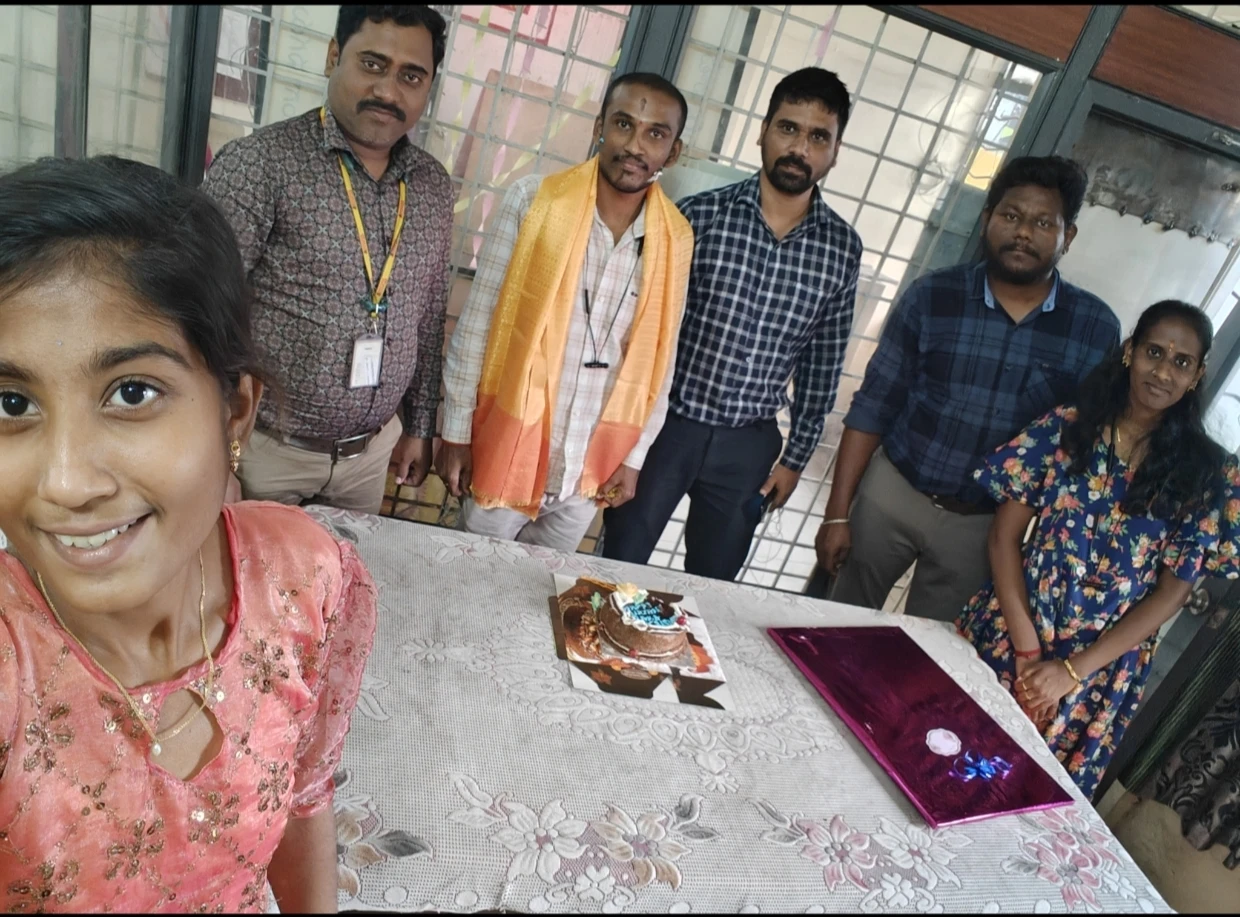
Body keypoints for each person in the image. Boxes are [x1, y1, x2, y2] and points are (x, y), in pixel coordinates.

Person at [0, 155, 377, 912]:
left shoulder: (308, 579)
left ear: (234, 411)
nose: (67, 481)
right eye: (11, 403)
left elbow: (305, 795)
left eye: (132, 392)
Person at [818, 155, 1121, 619]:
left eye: (1043, 223)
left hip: (985, 526)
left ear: (1068, 235)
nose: (1023, 232)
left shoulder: (1094, 329)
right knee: (835, 620)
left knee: (932, 646)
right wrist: (837, 514)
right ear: (987, 219)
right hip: (893, 494)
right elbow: (874, 405)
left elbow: (1081, 446)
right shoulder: (932, 296)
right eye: (1011, 216)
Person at [955, 300, 1225, 799]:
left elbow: (1171, 594)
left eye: (1181, 361)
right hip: (1013, 630)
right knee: (943, 756)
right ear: (1130, 352)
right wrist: (1027, 652)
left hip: (1097, 675)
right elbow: (1004, 537)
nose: (1163, 372)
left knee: (1017, 803)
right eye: (1154, 352)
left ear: (1197, 374)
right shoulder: (1068, 428)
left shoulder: (1205, 474)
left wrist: (1069, 673)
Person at [601, 67, 862, 580]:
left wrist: (795, 459)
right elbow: (642, 331)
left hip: (748, 444)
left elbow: (822, 364)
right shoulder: (697, 218)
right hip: (666, 428)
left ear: (835, 152)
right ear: (763, 132)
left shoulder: (841, 249)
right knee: (618, 564)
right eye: (788, 128)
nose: (799, 148)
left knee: (713, 580)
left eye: (818, 137)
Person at [201, 5, 453, 515]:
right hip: (265, 453)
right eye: (373, 64)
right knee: (254, 566)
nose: (388, 91)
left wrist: (420, 426)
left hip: (370, 456)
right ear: (333, 56)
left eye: (411, 76)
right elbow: (200, 311)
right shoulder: (262, 164)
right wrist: (214, 448)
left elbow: (428, 317)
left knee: (345, 565)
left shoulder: (432, 187)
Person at [437, 73, 694, 551]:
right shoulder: (533, 201)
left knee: (544, 588)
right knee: (470, 577)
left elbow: (663, 361)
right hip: (508, 445)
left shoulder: (675, 239)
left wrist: (633, 458)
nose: (634, 145)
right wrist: (454, 431)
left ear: (673, 152)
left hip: (588, 467)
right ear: (600, 127)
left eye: (655, 134)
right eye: (623, 124)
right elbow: (477, 325)